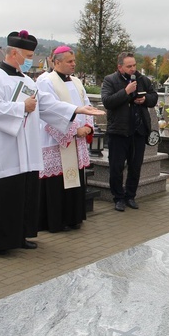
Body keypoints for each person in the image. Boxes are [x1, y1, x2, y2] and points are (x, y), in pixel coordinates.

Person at [0, 30, 103, 252]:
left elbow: (47, 105)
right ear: (14, 53)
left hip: (25, 149)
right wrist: (21, 107)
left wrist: (76, 109)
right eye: (28, 56)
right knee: (2, 195)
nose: (31, 61)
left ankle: (18, 236)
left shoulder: (28, 80)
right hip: (3, 149)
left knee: (22, 194)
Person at [36, 46, 94, 232]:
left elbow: (87, 105)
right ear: (57, 61)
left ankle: (72, 217)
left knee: (73, 179)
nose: (73, 64)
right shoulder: (45, 81)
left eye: (74, 61)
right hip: (55, 140)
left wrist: (87, 127)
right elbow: (49, 110)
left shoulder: (77, 81)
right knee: (56, 182)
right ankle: (54, 220)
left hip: (76, 140)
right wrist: (74, 130)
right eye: (69, 61)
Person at [101, 52, 158, 212]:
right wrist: (126, 92)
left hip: (138, 130)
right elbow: (107, 102)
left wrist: (145, 99)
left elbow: (154, 97)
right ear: (120, 67)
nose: (133, 69)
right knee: (116, 167)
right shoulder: (110, 80)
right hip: (119, 131)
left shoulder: (143, 79)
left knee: (135, 166)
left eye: (134, 65)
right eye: (129, 66)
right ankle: (118, 198)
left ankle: (130, 196)